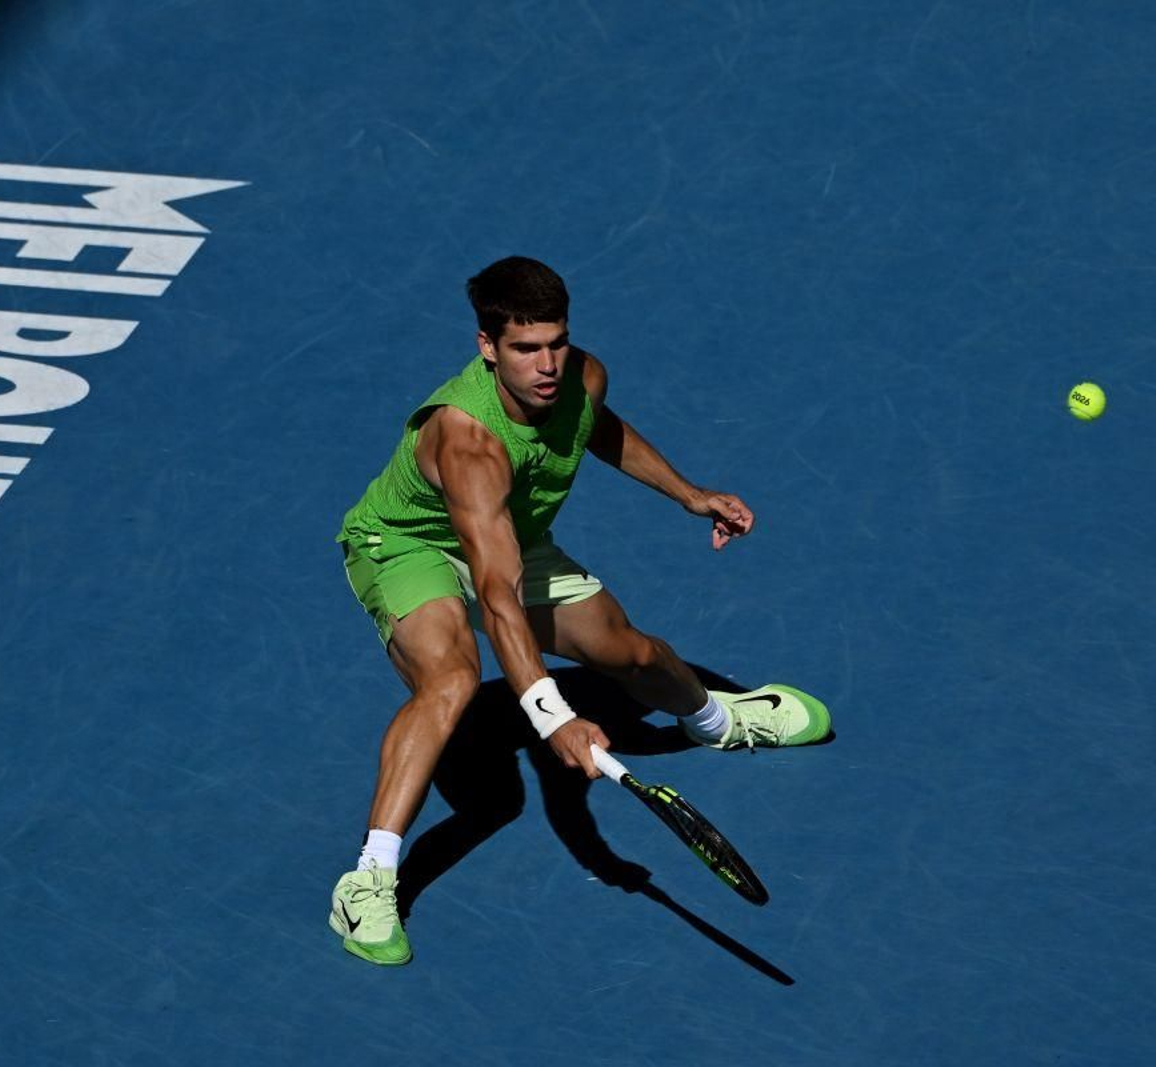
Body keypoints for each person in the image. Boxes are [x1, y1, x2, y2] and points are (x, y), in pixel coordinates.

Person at [328, 256, 830, 966]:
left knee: (633, 652)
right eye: (525, 349)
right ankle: (367, 881)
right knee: (452, 681)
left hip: (509, 536)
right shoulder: (468, 443)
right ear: (486, 346)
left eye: (556, 342)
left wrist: (689, 494)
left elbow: (595, 427)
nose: (547, 365)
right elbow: (498, 595)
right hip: (410, 546)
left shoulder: (581, 376)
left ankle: (720, 721)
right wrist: (553, 718)